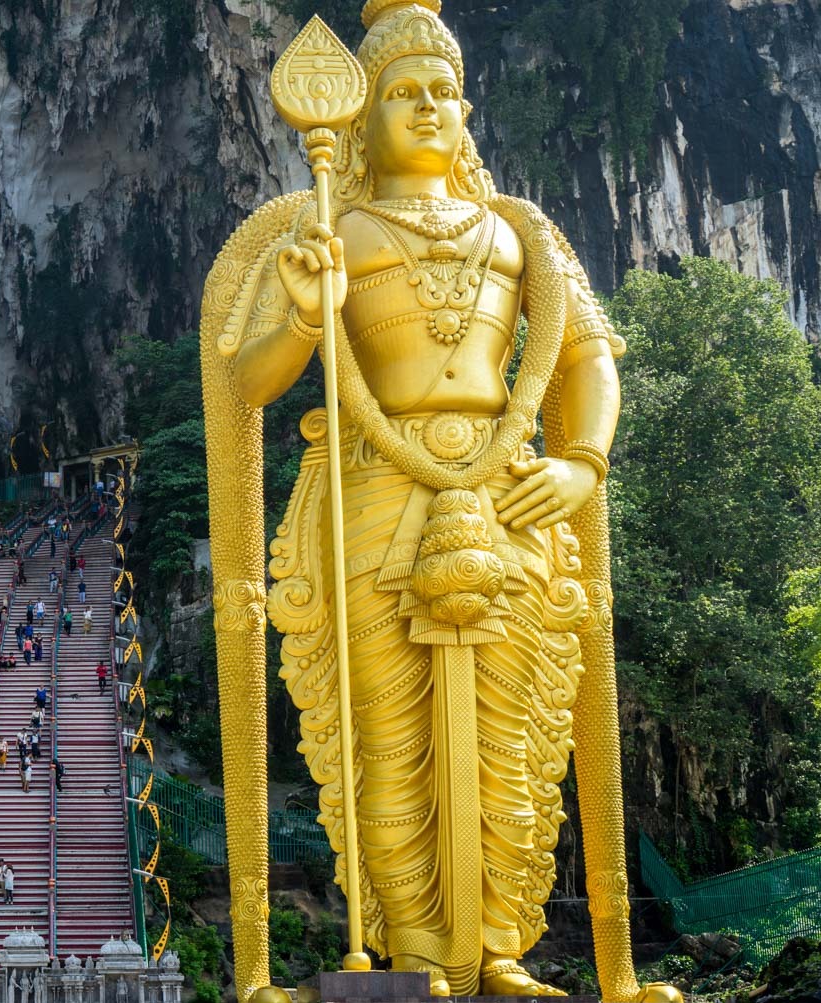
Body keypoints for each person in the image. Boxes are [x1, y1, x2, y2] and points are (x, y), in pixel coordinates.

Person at [208, 1, 637, 993]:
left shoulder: (521, 230)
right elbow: (249, 382)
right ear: (363, 119)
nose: (427, 106)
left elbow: (588, 359)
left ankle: (500, 948)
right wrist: (305, 317)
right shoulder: (328, 228)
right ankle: (418, 955)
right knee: (389, 739)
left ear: (468, 109)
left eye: (444, 90)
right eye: (403, 92)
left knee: (513, 729)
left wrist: (583, 462)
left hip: (506, 488)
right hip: (374, 491)